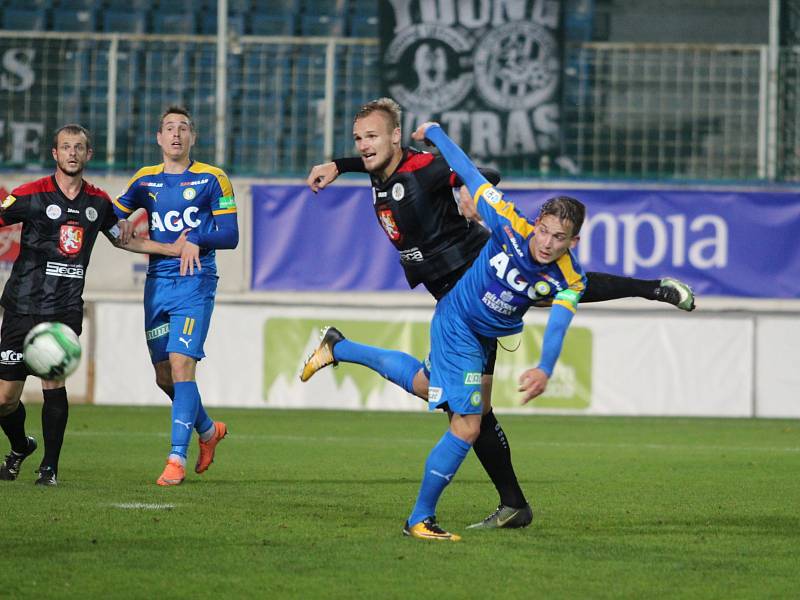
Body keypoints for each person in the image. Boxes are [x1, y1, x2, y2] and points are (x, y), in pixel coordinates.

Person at [301, 98, 694, 530]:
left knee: (545, 299)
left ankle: (652, 288)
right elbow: (383, 163)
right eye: (359, 139)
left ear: (396, 136)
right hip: (455, 297)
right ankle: (342, 348)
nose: (364, 145)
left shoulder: (423, 167)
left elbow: (476, 173)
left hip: (470, 280)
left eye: (372, 136)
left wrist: (465, 190)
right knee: (455, 400)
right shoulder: (381, 170)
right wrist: (340, 165)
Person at [406, 120, 586, 540]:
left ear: (572, 243)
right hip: (457, 324)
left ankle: (342, 348)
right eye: (543, 230)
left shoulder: (570, 279)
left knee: (423, 383)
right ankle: (419, 519)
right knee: (468, 425)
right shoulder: (507, 220)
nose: (545, 243)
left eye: (558, 238)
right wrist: (435, 133)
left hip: (483, 337)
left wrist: (544, 367)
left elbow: (559, 322)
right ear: (536, 221)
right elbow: (468, 171)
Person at [0, 124, 180, 486]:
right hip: (21, 306)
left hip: (63, 309)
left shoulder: (98, 203)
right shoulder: (31, 195)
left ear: (88, 154)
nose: (71, 153)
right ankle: (21, 446)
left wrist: (173, 249)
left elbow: (125, 240)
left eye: (78, 147)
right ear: (54, 154)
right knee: (4, 399)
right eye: (65, 147)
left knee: (54, 380)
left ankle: (49, 468)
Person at [112, 106, 239, 486]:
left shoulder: (213, 179)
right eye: (169, 128)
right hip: (157, 284)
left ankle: (175, 459)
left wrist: (197, 239)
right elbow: (115, 221)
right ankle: (208, 431)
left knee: (183, 365)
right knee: (165, 377)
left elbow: (230, 235)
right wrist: (125, 231)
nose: (176, 135)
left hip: (194, 282)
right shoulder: (144, 181)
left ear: (193, 137)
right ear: (158, 138)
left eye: (183, 128)